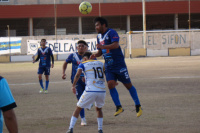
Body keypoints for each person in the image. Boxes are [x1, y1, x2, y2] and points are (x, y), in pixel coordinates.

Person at [90, 17, 142, 117]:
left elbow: (115, 45)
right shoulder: (99, 37)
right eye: (95, 25)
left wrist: (103, 47)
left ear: (103, 25)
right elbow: (101, 52)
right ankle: (119, 107)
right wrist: (95, 55)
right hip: (109, 66)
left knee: (128, 86)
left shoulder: (111, 32)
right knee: (110, 84)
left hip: (119, 64)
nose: (96, 27)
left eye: (97, 25)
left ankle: (138, 105)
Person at [66, 52, 106, 133]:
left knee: (78, 108)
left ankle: (70, 128)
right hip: (102, 90)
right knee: (99, 109)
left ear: (85, 58)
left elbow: (77, 75)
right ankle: (100, 129)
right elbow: (103, 73)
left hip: (91, 90)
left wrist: (73, 85)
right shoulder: (101, 63)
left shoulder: (83, 64)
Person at [62, 40, 88, 126]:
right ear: (77, 47)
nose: (80, 47)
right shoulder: (72, 56)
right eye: (79, 46)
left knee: (89, 98)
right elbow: (65, 63)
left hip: (88, 81)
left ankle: (89, 104)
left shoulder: (89, 56)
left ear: (85, 48)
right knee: (80, 100)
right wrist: (63, 72)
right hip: (76, 81)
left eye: (82, 46)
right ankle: (83, 119)